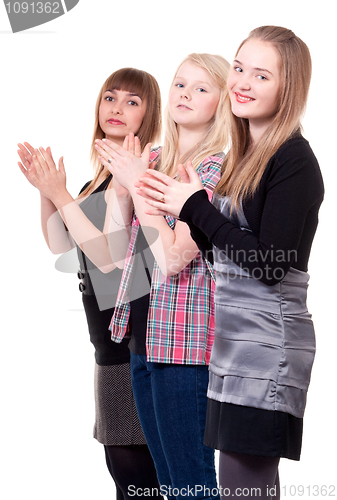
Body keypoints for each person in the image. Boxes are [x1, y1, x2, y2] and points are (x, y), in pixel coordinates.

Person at [136, 27, 324, 500]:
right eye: (239, 68)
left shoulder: (293, 158)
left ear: (289, 87)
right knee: (227, 485)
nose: (242, 81)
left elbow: (270, 264)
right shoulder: (245, 159)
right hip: (229, 349)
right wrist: (153, 195)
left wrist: (193, 206)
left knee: (243, 488)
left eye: (261, 74)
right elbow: (161, 254)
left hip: (263, 351)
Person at [17, 67, 162, 500]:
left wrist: (61, 195)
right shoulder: (97, 180)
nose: (117, 109)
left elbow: (108, 256)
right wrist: (46, 189)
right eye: (110, 98)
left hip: (136, 341)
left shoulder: (142, 172)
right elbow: (60, 241)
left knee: (138, 477)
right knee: (125, 472)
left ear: (149, 115)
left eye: (132, 102)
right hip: (107, 345)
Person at [94, 53, 230, 499]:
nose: (186, 95)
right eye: (179, 85)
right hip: (140, 336)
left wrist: (137, 184)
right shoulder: (149, 157)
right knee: (167, 485)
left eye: (201, 88)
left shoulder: (217, 171)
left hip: (183, 345)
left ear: (222, 103)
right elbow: (113, 254)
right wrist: (122, 182)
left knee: (191, 484)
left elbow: (173, 259)